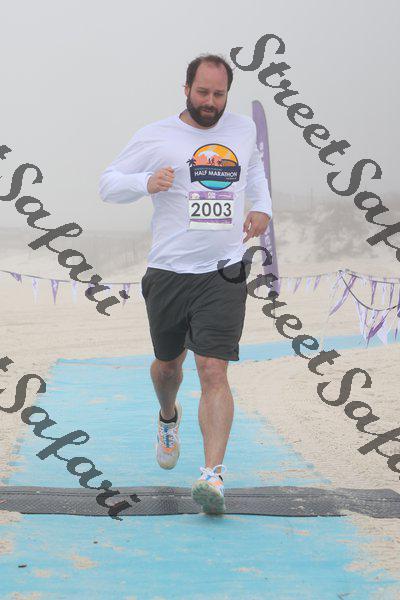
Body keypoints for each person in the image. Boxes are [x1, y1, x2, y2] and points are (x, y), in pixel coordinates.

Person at [99, 53, 272, 514]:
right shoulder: (157, 135)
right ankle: (167, 416)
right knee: (168, 368)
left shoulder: (241, 130)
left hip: (224, 270)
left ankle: (212, 476)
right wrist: (145, 182)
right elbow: (107, 184)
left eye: (219, 94)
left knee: (213, 369)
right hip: (170, 271)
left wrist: (262, 206)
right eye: (202, 92)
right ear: (186, 89)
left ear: (227, 94)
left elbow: (255, 169)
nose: (210, 102)